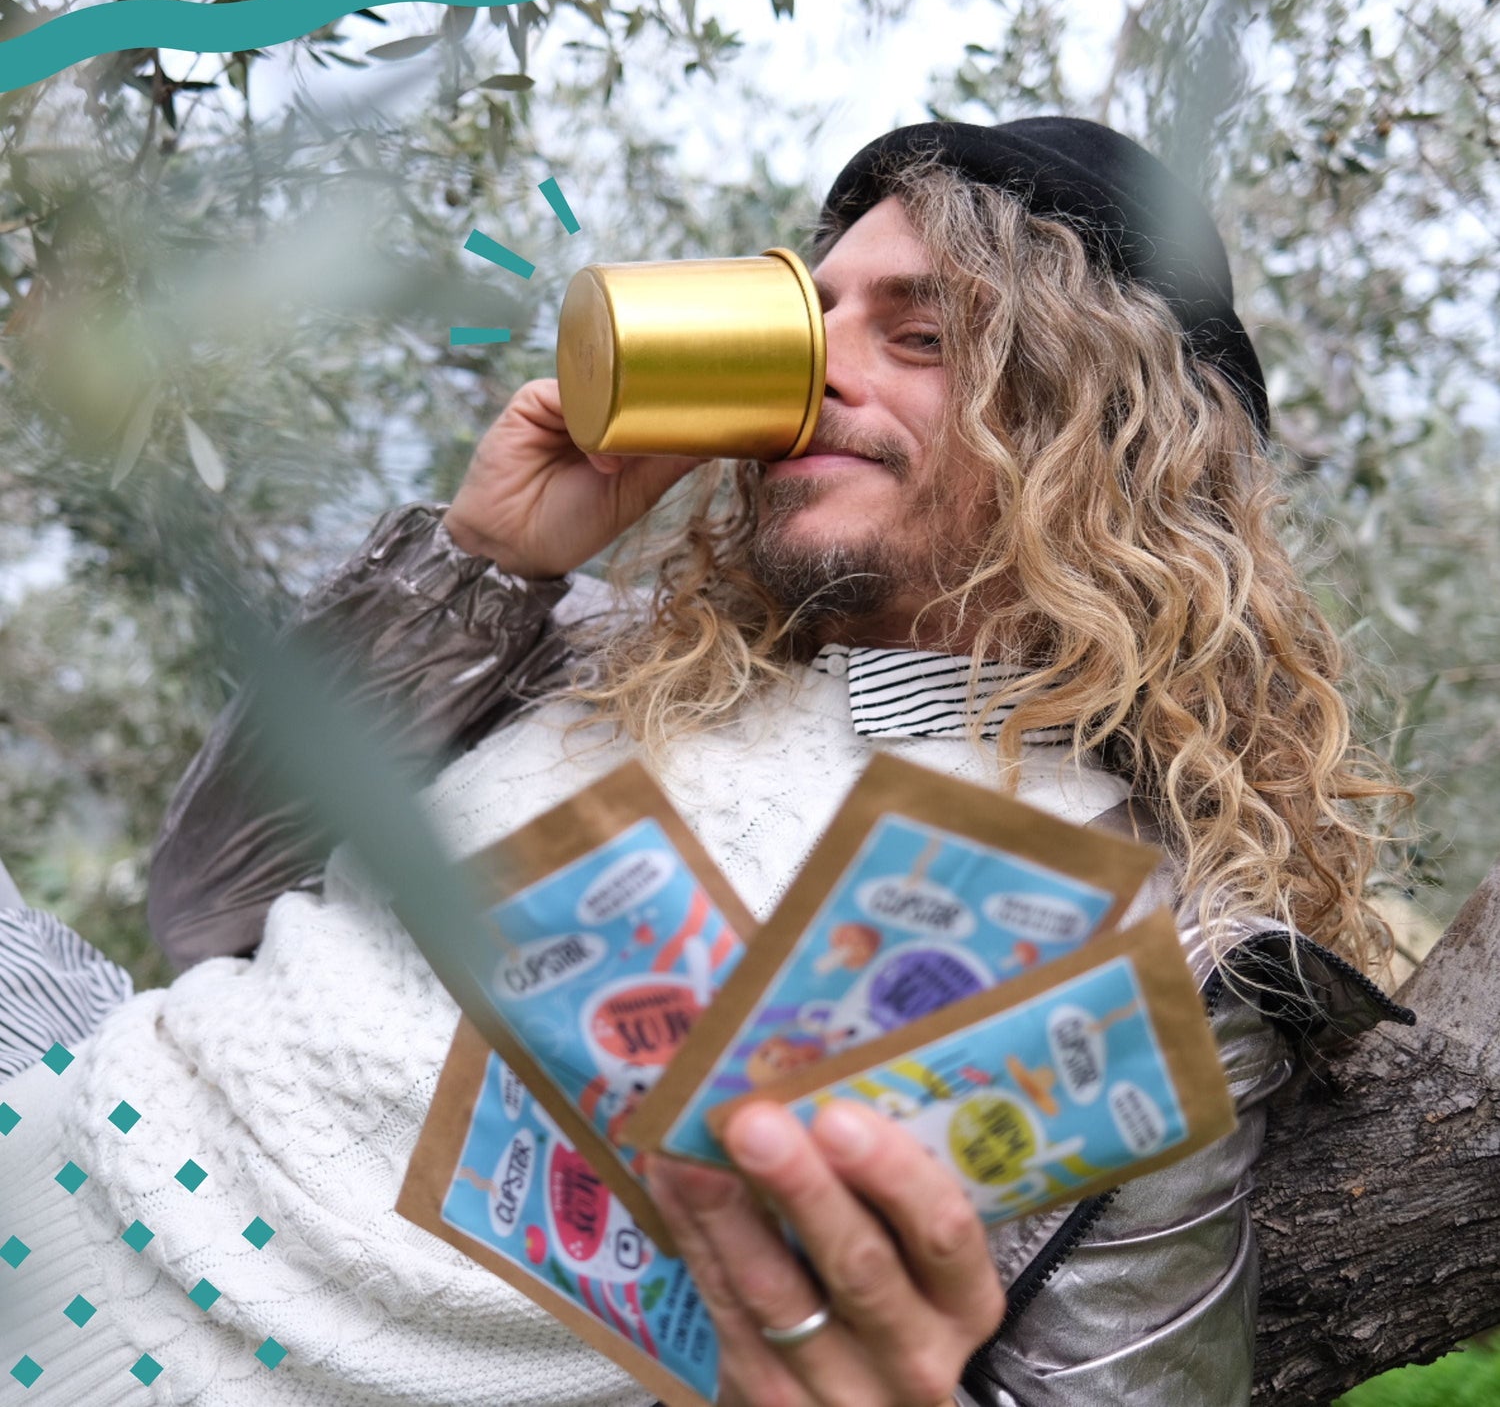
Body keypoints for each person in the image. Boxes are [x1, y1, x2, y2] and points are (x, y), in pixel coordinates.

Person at [0, 119, 1412, 1406]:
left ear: (1104, 433)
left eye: (921, 336)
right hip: (56, 1113)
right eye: (808, 318)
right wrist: (483, 565)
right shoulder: (599, 650)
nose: (813, 376)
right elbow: (203, 904)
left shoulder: (1150, 954)